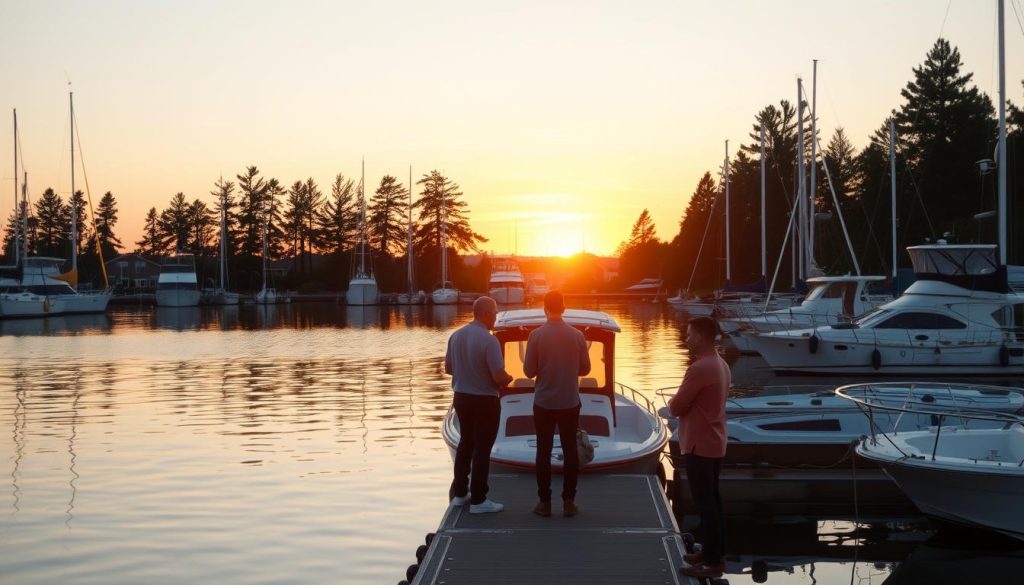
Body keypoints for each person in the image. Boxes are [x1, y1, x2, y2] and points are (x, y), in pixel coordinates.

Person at [669, 316, 730, 578]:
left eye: (690, 334)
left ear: (702, 337)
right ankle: (710, 552)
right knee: (712, 502)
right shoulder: (721, 363)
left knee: (706, 504)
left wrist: (678, 402)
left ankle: (713, 562)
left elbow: (675, 405)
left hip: (699, 444)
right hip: (714, 441)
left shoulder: (700, 368)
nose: (686, 339)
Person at [523, 290, 590, 518]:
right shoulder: (577, 336)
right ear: (564, 307)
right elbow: (586, 369)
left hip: (544, 402)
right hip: (570, 401)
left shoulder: (536, 336)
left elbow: (529, 372)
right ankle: (569, 502)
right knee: (570, 450)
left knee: (543, 451)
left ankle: (544, 503)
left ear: (545, 307)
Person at [444, 296, 513, 514]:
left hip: (461, 398)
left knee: (465, 445)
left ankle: (460, 494)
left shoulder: (456, 336)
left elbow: (448, 369)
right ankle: (479, 500)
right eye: (494, 312)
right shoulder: (489, 340)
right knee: (482, 450)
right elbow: (498, 376)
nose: (495, 317)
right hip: (484, 400)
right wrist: (510, 377)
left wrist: (467, 372)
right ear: (486, 313)